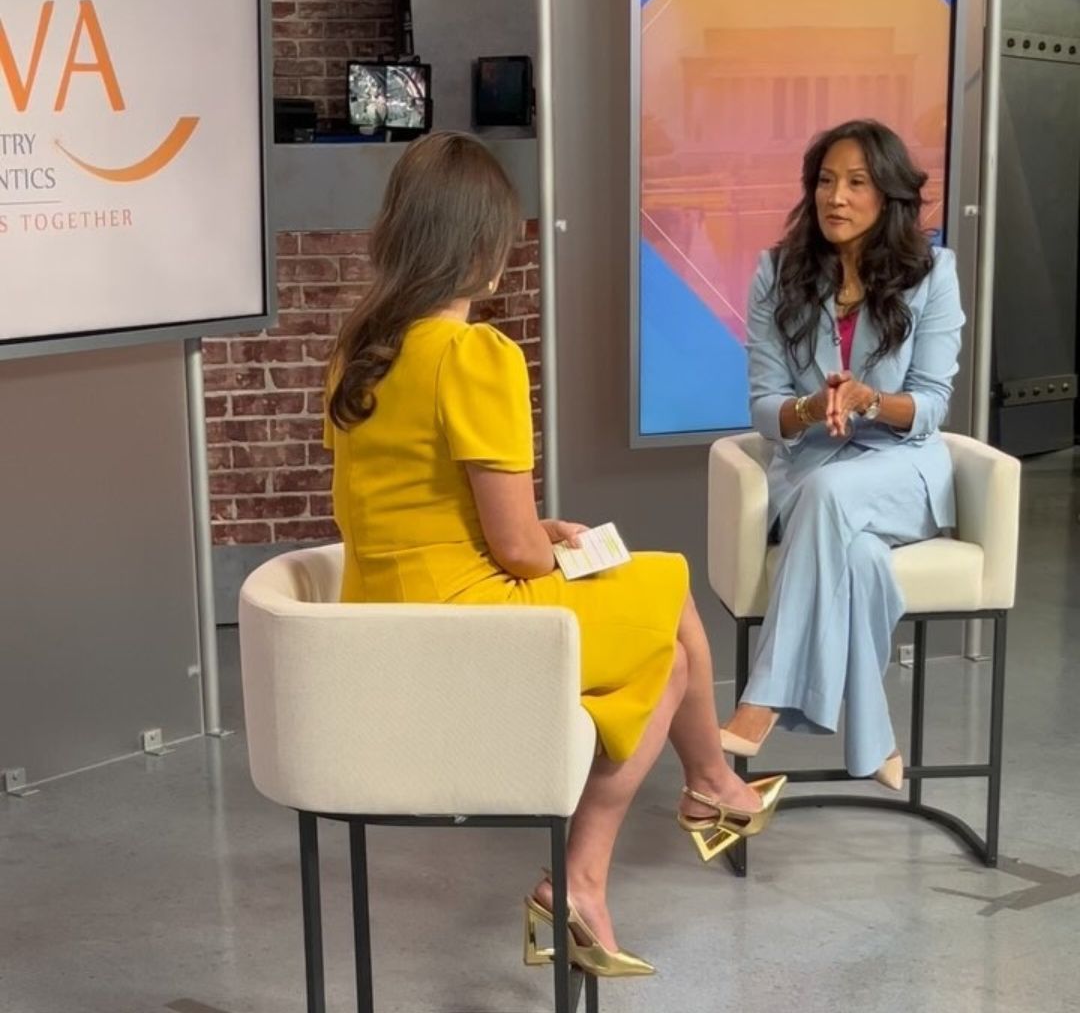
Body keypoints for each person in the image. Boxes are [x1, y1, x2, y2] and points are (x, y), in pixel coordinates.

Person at [323, 131, 785, 979]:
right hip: (467, 628)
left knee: (654, 611)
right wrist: (551, 542)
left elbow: (423, 511)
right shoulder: (474, 355)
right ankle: (672, 814)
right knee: (667, 606)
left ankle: (697, 797)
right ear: (482, 247)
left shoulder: (360, 356)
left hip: (375, 628)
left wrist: (544, 534)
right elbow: (517, 553)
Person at [720, 120, 965, 788]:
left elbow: (932, 406)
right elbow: (766, 406)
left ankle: (762, 696)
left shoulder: (933, 274)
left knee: (834, 502)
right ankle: (876, 739)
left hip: (900, 470)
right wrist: (808, 408)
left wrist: (867, 401)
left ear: (888, 196)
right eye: (826, 181)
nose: (836, 197)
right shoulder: (777, 274)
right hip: (812, 469)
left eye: (856, 183)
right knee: (855, 556)